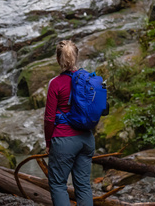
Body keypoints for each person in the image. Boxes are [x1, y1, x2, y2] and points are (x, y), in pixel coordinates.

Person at [44, 40, 95, 206]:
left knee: (58, 185)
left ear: (58, 59)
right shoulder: (89, 80)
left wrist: (48, 142)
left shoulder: (56, 83)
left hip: (64, 139)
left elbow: (49, 118)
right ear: (77, 57)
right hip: (87, 139)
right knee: (83, 185)